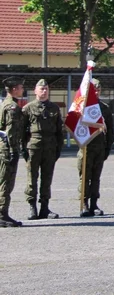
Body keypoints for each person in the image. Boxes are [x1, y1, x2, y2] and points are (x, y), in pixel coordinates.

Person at [21, 79, 64, 220]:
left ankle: (44, 207)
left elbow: (59, 131)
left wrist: (59, 148)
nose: (44, 91)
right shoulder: (28, 108)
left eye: (46, 89)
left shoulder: (54, 108)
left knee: (47, 178)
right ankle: (32, 207)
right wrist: (23, 148)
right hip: (34, 146)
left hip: (50, 147)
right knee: (32, 178)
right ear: (35, 91)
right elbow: (22, 131)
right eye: (41, 89)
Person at [79, 78, 114, 217]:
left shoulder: (104, 108)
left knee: (95, 178)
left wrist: (107, 148)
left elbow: (111, 130)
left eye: (98, 90)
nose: (96, 92)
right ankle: (84, 204)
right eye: (94, 89)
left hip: (99, 148)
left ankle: (94, 204)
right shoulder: (82, 107)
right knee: (84, 177)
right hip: (86, 147)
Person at [0, 77, 26, 227]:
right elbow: (10, 131)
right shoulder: (12, 108)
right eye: (21, 87)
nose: (22, 90)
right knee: (6, 182)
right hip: (7, 148)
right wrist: (12, 151)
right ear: (14, 89)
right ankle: (2, 214)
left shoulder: (5, 103)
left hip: (3, 147)